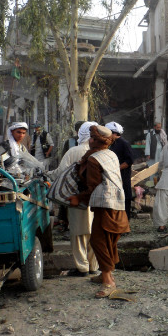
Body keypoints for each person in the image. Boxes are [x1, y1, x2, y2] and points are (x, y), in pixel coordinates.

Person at [69, 125, 129, 298]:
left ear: (94, 140)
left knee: (98, 241)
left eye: (91, 137)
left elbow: (92, 188)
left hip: (105, 205)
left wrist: (78, 198)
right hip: (118, 203)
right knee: (109, 240)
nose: (89, 140)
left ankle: (108, 282)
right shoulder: (111, 154)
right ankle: (106, 274)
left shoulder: (94, 159)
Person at [50, 121, 99, 277]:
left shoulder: (74, 151)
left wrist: (45, 174)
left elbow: (60, 172)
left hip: (77, 198)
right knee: (94, 233)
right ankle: (93, 266)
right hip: (96, 199)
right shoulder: (101, 151)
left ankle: (82, 267)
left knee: (78, 233)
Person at [106, 122, 135, 219]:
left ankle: (125, 223)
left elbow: (129, 160)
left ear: (113, 133)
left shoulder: (124, 143)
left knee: (125, 199)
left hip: (123, 176)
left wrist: (116, 168)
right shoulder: (112, 144)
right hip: (114, 177)